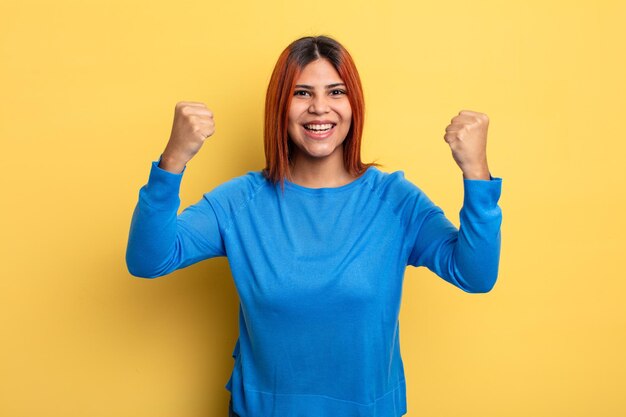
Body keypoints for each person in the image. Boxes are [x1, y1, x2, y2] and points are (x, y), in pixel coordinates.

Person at [126, 35, 502, 417]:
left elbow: (475, 274)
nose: (319, 108)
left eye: (336, 92)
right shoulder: (241, 202)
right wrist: (173, 159)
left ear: (354, 105)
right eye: (302, 93)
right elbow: (148, 259)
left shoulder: (395, 201)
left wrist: (476, 173)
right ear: (280, 106)